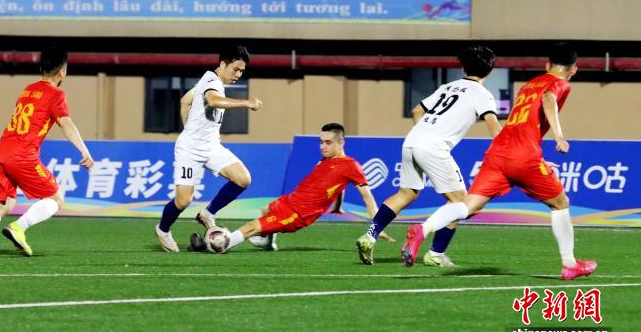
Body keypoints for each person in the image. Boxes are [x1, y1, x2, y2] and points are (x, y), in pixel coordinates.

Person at [402, 43, 598, 281]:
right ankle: (569, 264)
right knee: (561, 203)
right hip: (523, 155)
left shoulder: (529, 85)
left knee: (468, 205)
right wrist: (559, 137)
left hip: (499, 152)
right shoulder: (560, 83)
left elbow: (521, 126)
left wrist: (536, 156)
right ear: (574, 69)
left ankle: (422, 230)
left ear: (547, 65)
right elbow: (548, 99)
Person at [356, 47, 502, 266]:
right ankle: (435, 254)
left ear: (464, 67)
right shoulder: (483, 94)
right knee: (460, 202)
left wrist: (424, 136)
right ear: (490, 70)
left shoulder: (447, 87)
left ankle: (369, 236)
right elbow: (494, 126)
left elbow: (417, 111)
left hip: (412, 140)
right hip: (433, 146)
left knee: (406, 193)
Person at [0, 48, 94, 258]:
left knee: (4, 205)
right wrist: (85, 151)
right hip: (22, 156)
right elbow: (66, 124)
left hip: (1, 153)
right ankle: (19, 227)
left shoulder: (27, 90)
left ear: (41, 68)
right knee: (56, 199)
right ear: (62, 72)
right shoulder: (56, 94)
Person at [155, 46, 263, 253]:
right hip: (190, 150)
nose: (238, 75)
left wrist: (188, 126)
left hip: (211, 146)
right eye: (235, 69)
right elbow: (213, 101)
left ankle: (208, 213)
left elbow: (184, 101)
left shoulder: (209, 81)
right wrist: (246, 102)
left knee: (243, 179)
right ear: (222, 64)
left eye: (242, 71)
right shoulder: (212, 82)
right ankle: (163, 229)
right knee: (183, 201)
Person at [222, 123, 386, 253]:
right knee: (265, 209)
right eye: (321, 142)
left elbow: (367, 195)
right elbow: (337, 187)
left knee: (250, 227)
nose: (322, 146)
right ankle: (268, 242)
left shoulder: (351, 165)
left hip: (297, 214)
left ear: (341, 143)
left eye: (328, 142)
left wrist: (376, 227)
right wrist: (336, 206)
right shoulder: (325, 160)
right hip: (289, 201)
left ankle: (221, 244)